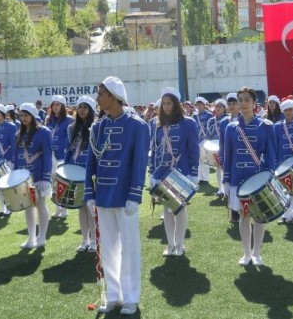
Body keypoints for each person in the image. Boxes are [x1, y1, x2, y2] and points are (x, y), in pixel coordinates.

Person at [85, 76, 149, 315]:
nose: (97, 99)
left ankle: (131, 297)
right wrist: (89, 192)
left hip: (125, 197)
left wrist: (135, 195)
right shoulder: (98, 127)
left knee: (130, 248)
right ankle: (114, 295)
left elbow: (139, 163)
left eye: (101, 94)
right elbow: (91, 161)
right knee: (109, 247)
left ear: (112, 96)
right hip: (103, 195)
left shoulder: (137, 125)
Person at [223, 87, 275, 266]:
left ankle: (257, 253)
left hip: (258, 180)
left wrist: (270, 178)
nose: (243, 103)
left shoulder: (265, 126)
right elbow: (227, 156)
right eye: (240, 100)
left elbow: (270, 155)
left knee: (259, 217)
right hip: (238, 178)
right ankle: (246, 253)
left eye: (246, 100)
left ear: (254, 103)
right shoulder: (230, 127)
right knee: (243, 216)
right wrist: (227, 180)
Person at [150, 87, 199, 256]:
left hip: (181, 172)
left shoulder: (189, 123)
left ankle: (180, 244)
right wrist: (152, 174)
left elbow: (194, 150)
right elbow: (154, 151)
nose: (166, 107)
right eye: (164, 103)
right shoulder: (156, 124)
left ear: (176, 104)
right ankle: (170, 244)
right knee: (166, 209)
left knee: (180, 208)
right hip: (161, 173)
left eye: (169, 103)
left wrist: (194, 173)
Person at [14, 103, 53, 248]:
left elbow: (47, 156)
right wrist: (15, 176)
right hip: (24, 177)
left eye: (26, 115)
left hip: (39, 175)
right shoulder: (18, 134)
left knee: (40, 205)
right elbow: (17, 157)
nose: (23, 118)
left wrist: (45, 178)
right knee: (28, 206)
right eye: (21, 116)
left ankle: (41, 237)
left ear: (32, 116)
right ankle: (31, 238)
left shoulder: (44, 132)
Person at [65, 96, 97, 252]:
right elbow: (69, 150)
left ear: (91, 109)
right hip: (76, 170)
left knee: (91, 206)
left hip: (90, 171)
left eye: (85, 107)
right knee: (81, 207)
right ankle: (85, 239)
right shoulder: (72, 128)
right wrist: (65, 168)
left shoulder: (97, 126)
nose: (82, 110)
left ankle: (95, 241)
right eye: (80, 107)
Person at [46, 95, 75, 218]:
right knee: (53, 182)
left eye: (58, 104)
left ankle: (64, 209)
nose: (55, 107)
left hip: (63, 156)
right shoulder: (49, 119)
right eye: (54, 104)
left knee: (62, 183)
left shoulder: (69, 120)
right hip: (51, 155)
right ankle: (57, 208)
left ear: (63, 106)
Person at [0, 103, 17, 218]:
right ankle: (3, 208)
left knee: (7, 186)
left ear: (2, 114)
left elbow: (14, 145)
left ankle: (9, 208)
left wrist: (13, 161)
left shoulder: (11, 126)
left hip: (8, 161)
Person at [218, 92, 240, 223]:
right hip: (228, 156)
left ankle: (242, 209)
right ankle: (234, 211)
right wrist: (221, 159)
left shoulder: (245, 118)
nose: (231, 106)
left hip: (241, 155)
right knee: (229, 183)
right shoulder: (224, 122)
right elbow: (221, 142)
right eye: (229, 104)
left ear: (238, 104)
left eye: (234, 104)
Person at [206, 98, 228, 196]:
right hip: (215, 147)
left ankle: (227, 189)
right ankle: (220, 189)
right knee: (218, 167)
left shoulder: (228, 119)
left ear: (224, 108)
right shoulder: (211, 120)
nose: (217, 108)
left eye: (220, 106)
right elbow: (208, 135)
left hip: (226, 146)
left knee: (226, 168)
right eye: (216, 106)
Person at [193, 97, 213, 184]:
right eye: (198, 104)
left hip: (205, 139)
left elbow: (211, 127)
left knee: (205, 159)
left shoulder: (209, 115)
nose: (199, 106)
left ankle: (205, 178)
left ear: (204, 105)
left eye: (200, 104)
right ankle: (199, 177)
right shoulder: (194, 116)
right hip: (197, 140)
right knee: (198, 159)